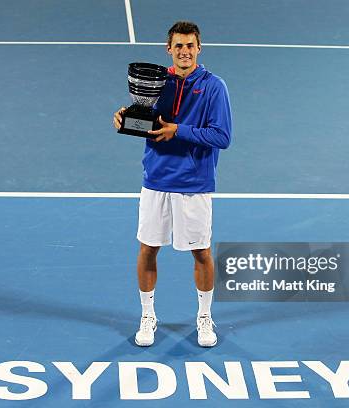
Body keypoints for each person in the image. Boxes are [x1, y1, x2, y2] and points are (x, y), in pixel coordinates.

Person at [113, 21, 232, 347]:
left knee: (201, 252)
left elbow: (222, 136)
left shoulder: (214, 87)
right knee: (148, 248)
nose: (184, 51)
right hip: (156, 181)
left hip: (194, 184)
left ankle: (204, 317)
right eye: (178, 46)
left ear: (198, 48)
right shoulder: (155, 83)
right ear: (169, 49)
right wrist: (126, 119)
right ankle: (148, 315)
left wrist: (177, 130)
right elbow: (147, 123)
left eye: (190, 45)